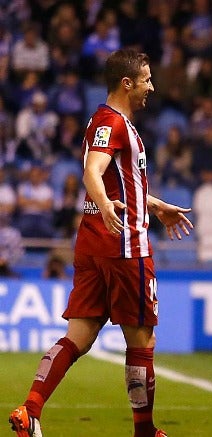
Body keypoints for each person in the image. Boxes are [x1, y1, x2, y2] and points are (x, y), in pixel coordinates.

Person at [9, 48, 193, 437]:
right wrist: (107, 203)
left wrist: (155, 205)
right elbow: (93, 170)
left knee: (80, 334)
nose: (151, 87)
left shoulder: (102, 120)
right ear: (127, 83)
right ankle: (145, 432)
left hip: (93, 241)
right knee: (142, 339)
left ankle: (30, 410)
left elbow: (114, 179)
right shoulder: (114, 124)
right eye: (146, 80)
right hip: (124, 244)